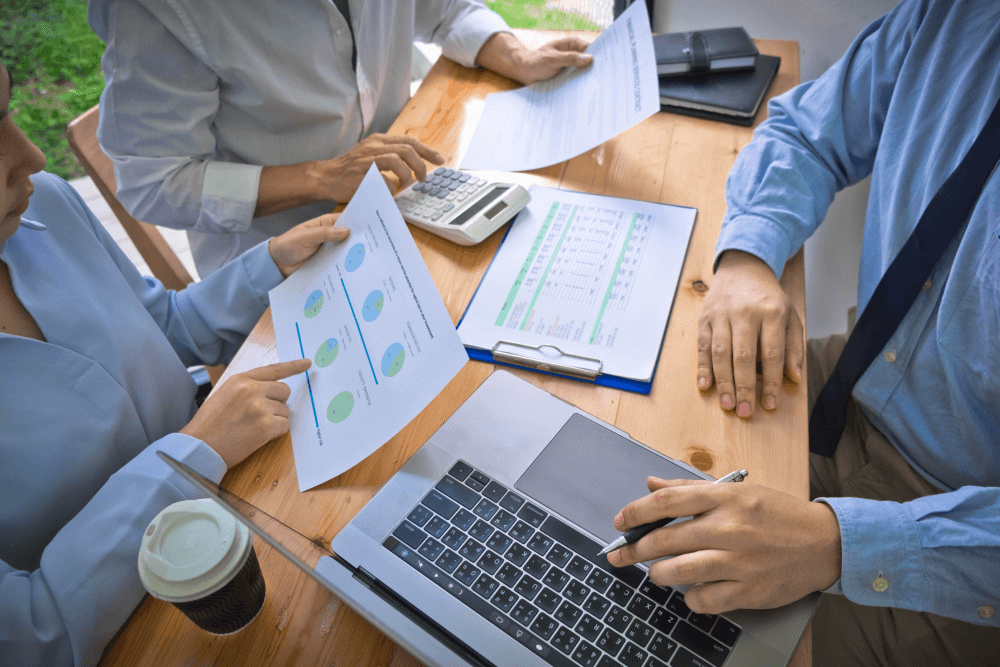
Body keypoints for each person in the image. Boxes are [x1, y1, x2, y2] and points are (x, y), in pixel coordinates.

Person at [606, 1, 1000, 665]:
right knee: (619, 485)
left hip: (961, 544)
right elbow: (806, 131)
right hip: (853, 382)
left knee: (676, 638)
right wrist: (749, 261)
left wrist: (838, 542)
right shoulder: (953, 16)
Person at [0, 60, 352, 666]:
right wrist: (191, 453)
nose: (30, 155)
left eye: (6, 112)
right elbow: (36, 634)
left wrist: (268, 265)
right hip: (148, 627)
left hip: (242, 494)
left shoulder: (48, 208)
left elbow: (161, 327)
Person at [86, 0, 594, 276]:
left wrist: (512, 52)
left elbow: (444, 10)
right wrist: (321, 177)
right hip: (284, 260)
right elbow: (155, 181)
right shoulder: (156, 9)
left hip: (414, 198)